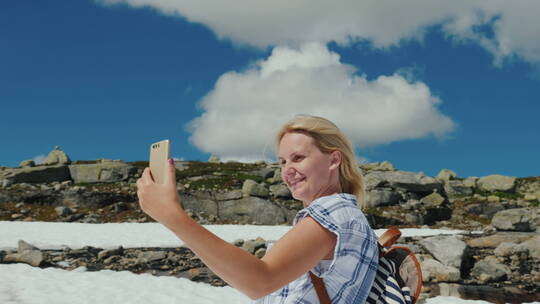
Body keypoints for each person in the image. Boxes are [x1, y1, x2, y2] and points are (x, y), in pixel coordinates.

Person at [136, 115, 379, 303]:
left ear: (334, 160)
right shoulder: (343, 215)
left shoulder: (334, 212)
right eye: (282, 162)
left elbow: (260, 280)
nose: (287, 170)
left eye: (298, 158)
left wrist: (172, 215)